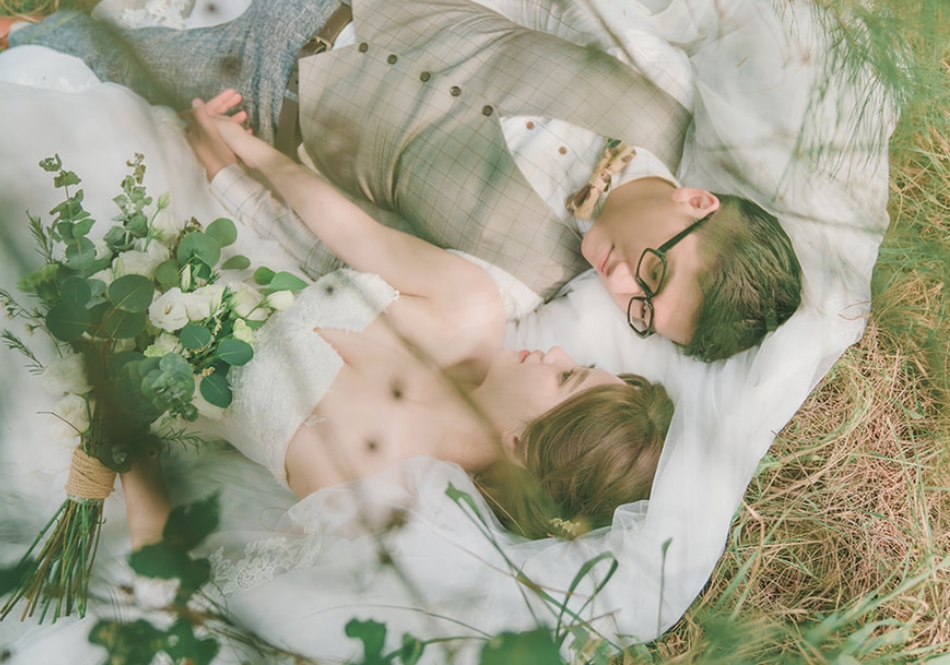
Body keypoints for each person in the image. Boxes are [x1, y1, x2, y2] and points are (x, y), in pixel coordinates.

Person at [0, 0, 802, 361]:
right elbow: (562, 3)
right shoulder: (665, 102)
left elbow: (343, 250)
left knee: (104, 62)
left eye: (642, 316)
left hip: (270, 94)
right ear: (698, 202)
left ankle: (17, 29)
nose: (620, 287)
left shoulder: (517, 287)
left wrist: (237, 175)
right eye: (654, 272)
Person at [123, 90, 672, 544]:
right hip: (220, 218)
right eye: (577, 362)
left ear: (519, 445)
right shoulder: (471, 307)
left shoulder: (362, 485)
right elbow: (349, 236)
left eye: (565, 376)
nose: (556, 352)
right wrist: (237, 158)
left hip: (129, 352)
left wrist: (112, 419)